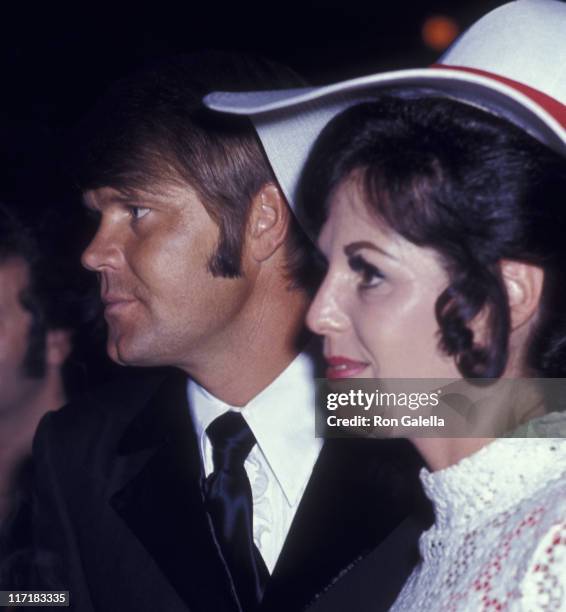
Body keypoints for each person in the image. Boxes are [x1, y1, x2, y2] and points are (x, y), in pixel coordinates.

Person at [0, 52, 428, 611]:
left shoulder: (439, 412)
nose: (92, 253)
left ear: (264, 221)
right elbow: (35, 599)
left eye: (134, 210)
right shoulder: (82, 449)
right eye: (96, 216)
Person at [203, 2, 566, 609]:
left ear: (506, 296)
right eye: (328, 268)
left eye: (369, 272)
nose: (319, 314)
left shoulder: (552, 550)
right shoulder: (440, 547)